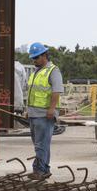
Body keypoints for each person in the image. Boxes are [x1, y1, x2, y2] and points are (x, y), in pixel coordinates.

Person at [25, 41, 63, 178]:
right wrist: (27, 110)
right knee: (39, 144)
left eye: (36, 57)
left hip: (44, 114)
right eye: (33, 58)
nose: (34, 60)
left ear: (44, 56)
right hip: (34, 114)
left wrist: (51, 109)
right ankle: (43, 169)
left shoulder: (53, 71)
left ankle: (40, 170)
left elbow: (56, 91)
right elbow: (32, 93)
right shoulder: (36, 72)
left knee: (41, 144)